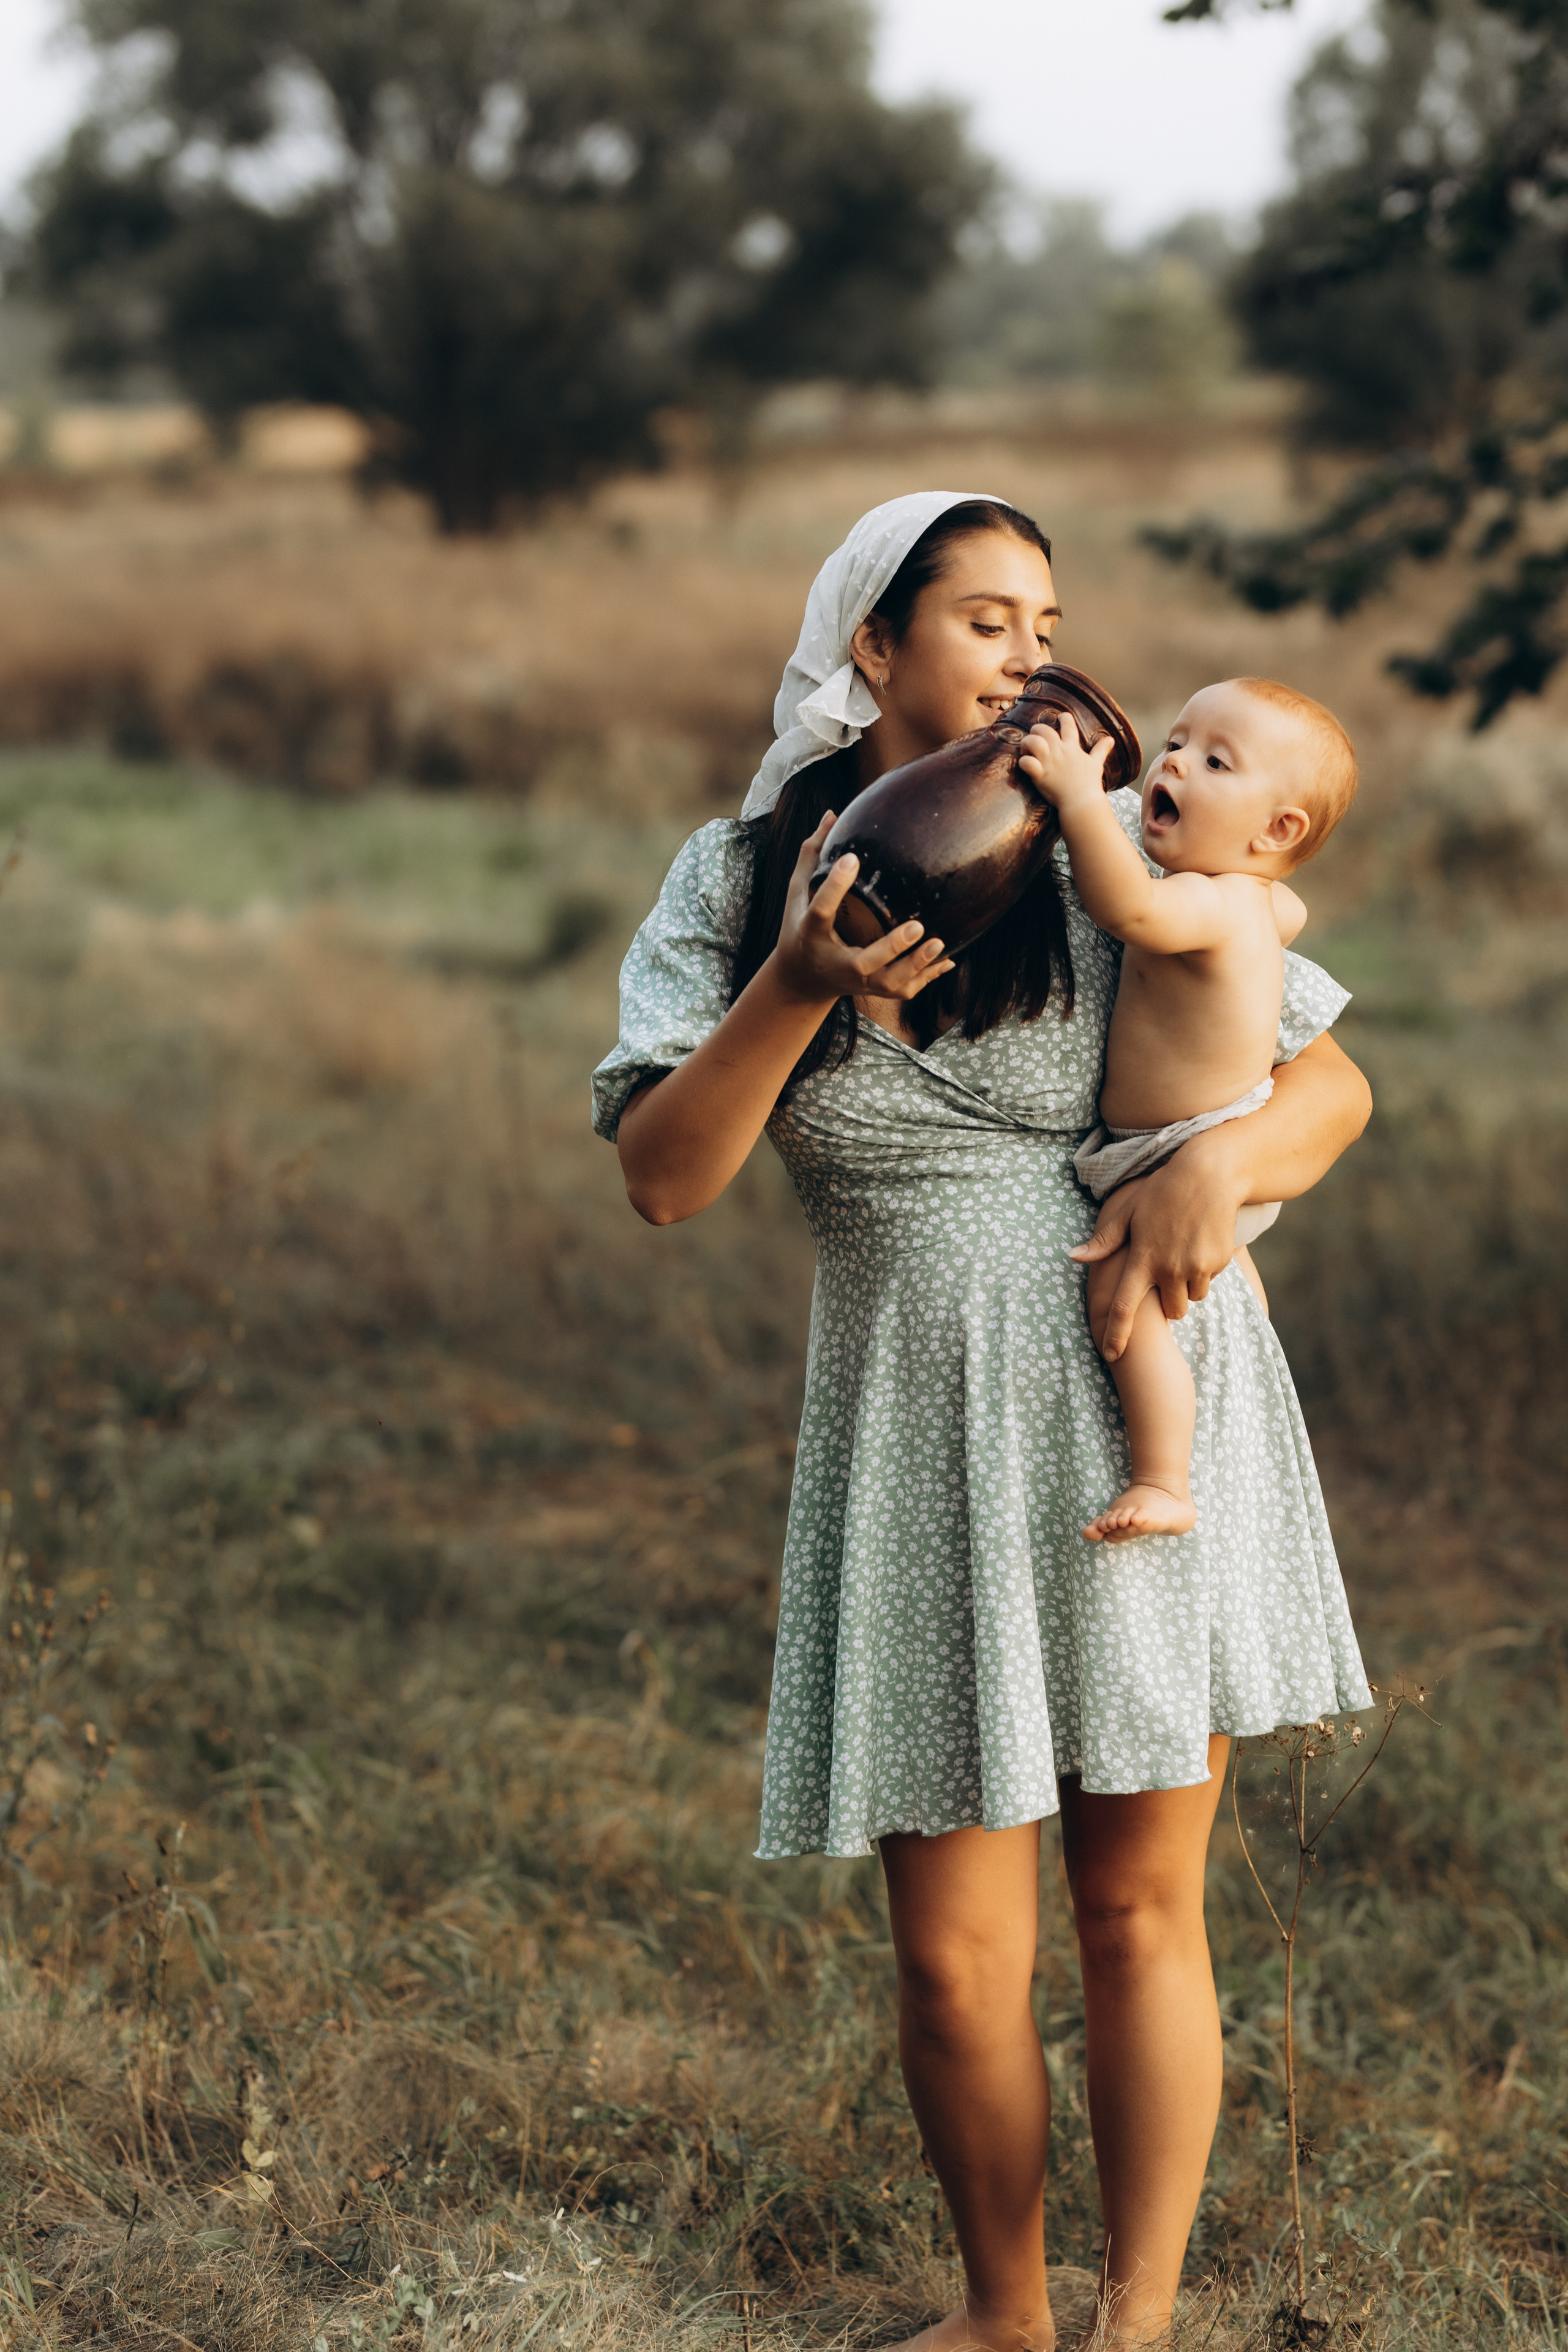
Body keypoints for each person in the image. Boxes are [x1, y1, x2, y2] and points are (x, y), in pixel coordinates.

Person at [591, 493, 1373, 2352]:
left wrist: (1221, 1170)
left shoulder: (1110, 833)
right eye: (987, 621)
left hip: (1139, 1392)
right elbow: (663, 1180)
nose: (1034, 661)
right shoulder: (740, 876)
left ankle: (1138, 2323)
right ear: (872, 646)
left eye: (1047, 624)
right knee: (953, 1961)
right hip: (917, 1428)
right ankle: (1004, 2319)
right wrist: (796, 983)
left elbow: (1331, 1082)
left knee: (1137, 1915)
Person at [1019, 678, 1359, 1545]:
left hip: (1176, 1150)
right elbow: (1288, 908)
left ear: (1277, 831)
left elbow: (1127, 907)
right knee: (1215, 1291)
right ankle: (1240, 1356)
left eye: (1215, 762)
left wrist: (1079, 800)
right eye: (1176, 743)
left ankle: (1163, 1477)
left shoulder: (1208, 901)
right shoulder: (1264, 901)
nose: (1172, 764)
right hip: (1207, 1133)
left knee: (1121, 1297)